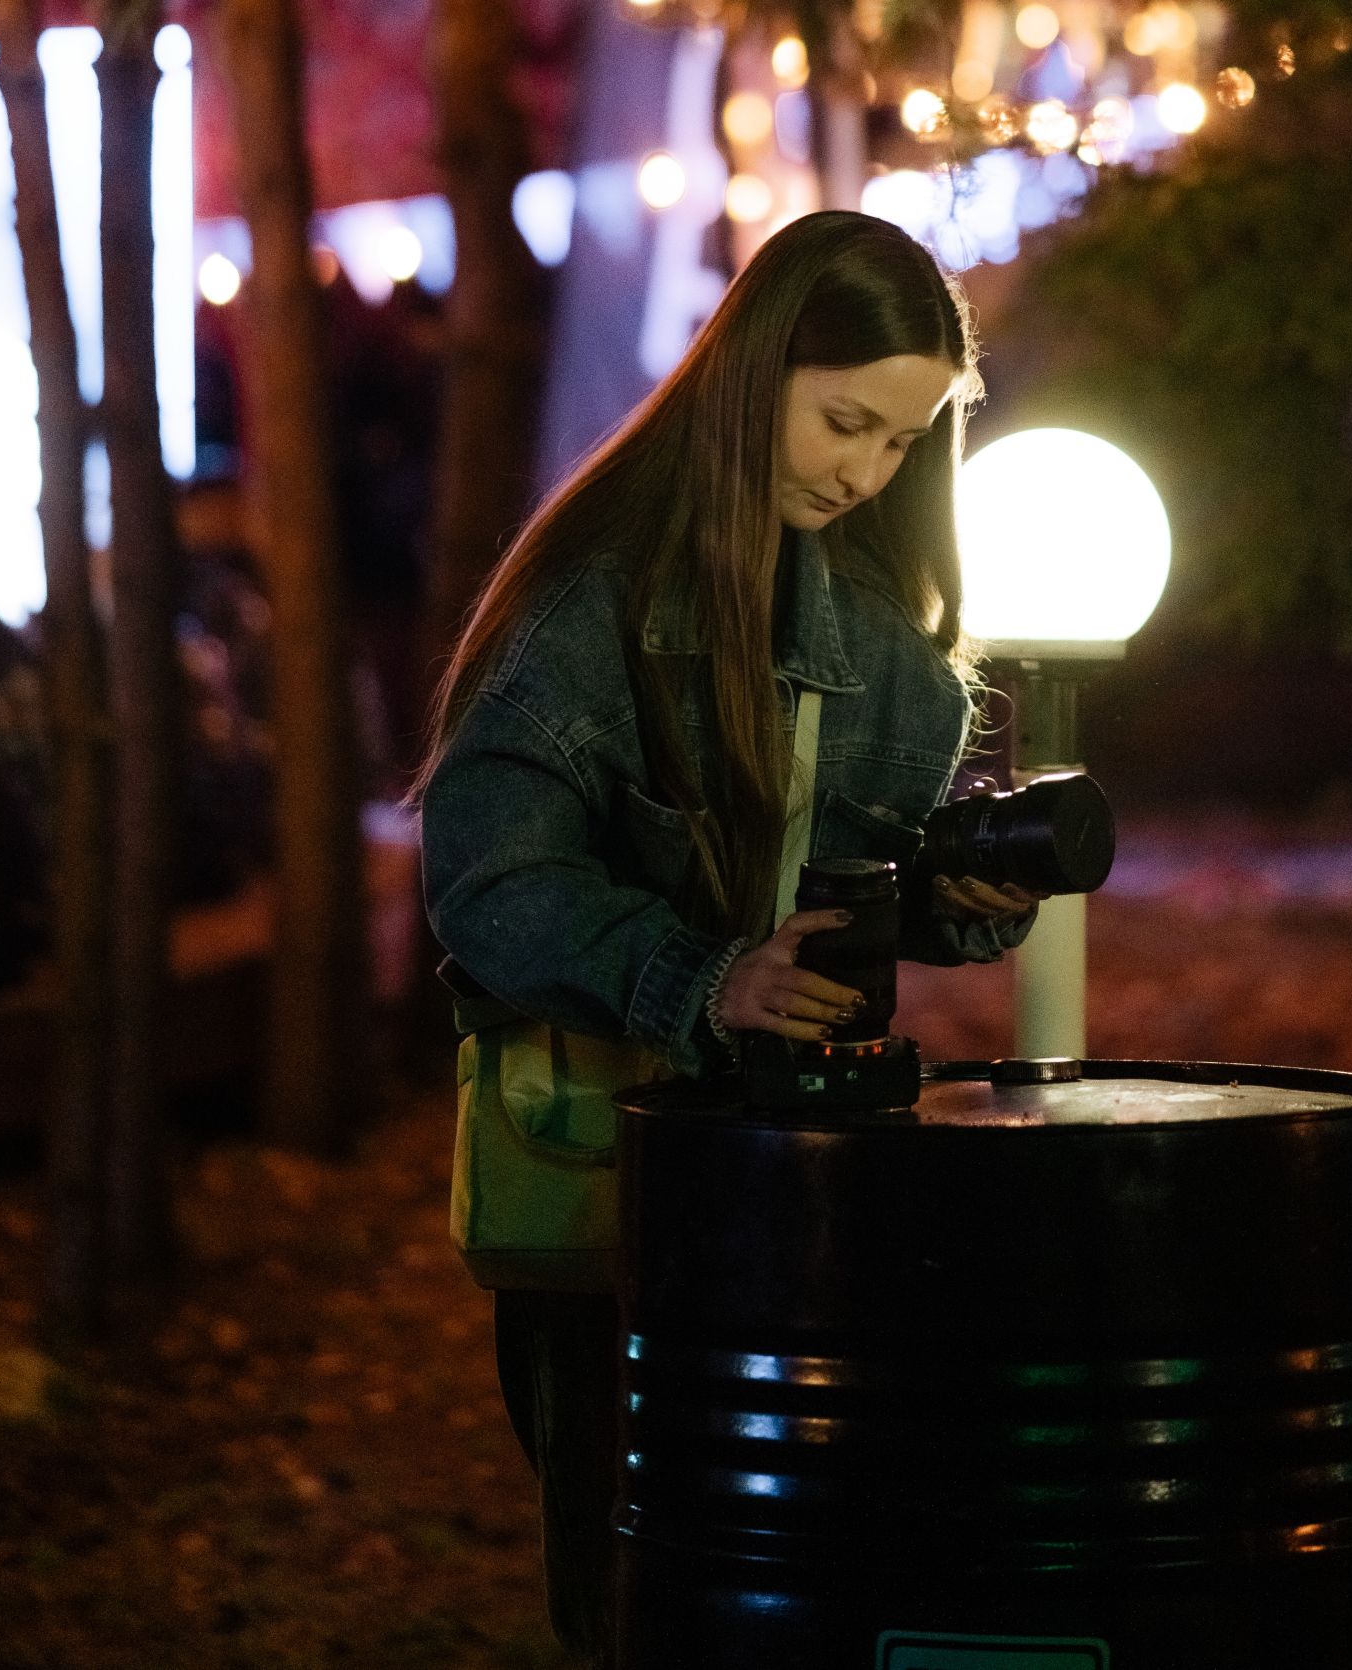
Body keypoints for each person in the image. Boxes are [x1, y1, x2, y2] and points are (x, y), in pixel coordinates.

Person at [416, 212, 1039, 1664]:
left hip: (815, 1188)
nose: (866, 470)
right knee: (635, 1594)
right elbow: (489, 880)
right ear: (752, 369)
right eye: (844, 421)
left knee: (809, 1585)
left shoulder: (892, 638)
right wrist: (704, 977)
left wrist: (953, 897)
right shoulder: (593, 601)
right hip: (609, 1187)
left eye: (901, 440)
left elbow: (852, 881)